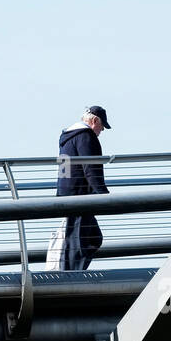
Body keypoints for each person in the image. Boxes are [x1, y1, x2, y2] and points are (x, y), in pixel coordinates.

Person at [56, 106, 111, 271]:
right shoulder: (86, 136)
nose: (101, 131)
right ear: (94, 121)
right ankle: (71, 278)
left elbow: (64, 167)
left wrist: (61, 194)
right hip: (81, 196)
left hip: (68, 194)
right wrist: (103, 194)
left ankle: (71, 274)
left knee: (89, 238)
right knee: (81, 241)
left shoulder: (67, 137)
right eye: (102, 127)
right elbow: (91, 168)